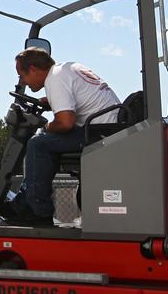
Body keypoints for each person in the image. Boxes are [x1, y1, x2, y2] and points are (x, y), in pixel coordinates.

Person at [12, 48, 120, 226]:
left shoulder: (54, 79)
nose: (23, 81)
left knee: (38, 143)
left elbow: (65, 122)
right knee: (47, 143)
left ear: (33, 69)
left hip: (99, 134)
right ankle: (24, 201)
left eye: (22, 76)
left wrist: (47, 126)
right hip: (109, 129)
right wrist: (51, 100)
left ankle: (37, 211)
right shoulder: (64, 71)